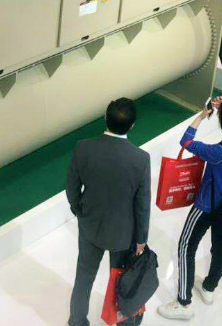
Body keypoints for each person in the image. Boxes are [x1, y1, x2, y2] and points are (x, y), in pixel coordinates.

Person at [157, 97, 222, 320]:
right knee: (219, 248)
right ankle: (209, 288)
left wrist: (202, 116)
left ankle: (183, 303)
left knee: (185, 246)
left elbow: (186, 141)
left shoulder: (219, 152)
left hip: (206, 206)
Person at [66, 97, 150, 326]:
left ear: (105, 117)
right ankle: (122, 321)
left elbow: (71, 187)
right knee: (122, 279)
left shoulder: (83, 147)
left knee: (84, 277)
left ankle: (77, 320)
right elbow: (142, 205)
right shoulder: (141, 159)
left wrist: (80, 211)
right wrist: (141, 239)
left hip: (90, 226)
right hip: (123, 233)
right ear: (132, 125)